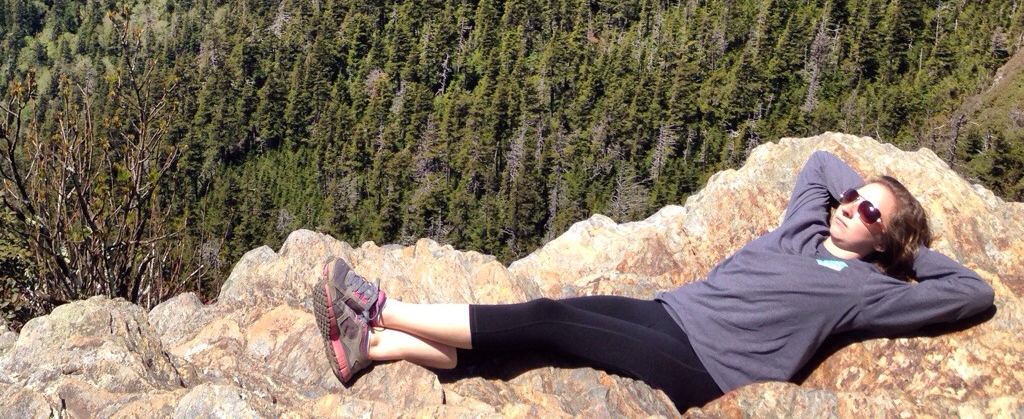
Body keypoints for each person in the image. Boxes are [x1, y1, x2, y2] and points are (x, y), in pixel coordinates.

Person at [311, 150, 994, 413]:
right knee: (533, 341)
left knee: (548, 319)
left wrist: (907, 254)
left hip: (706, 366)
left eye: (868, 213)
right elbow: (818, 164)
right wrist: (864, 193)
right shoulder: (803, 230)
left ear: (885, 240)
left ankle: (380, 310)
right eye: (852, 200)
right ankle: (372, 347)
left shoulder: (869, 291)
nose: (849, 208)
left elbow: (972, 293)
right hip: (669, 313)